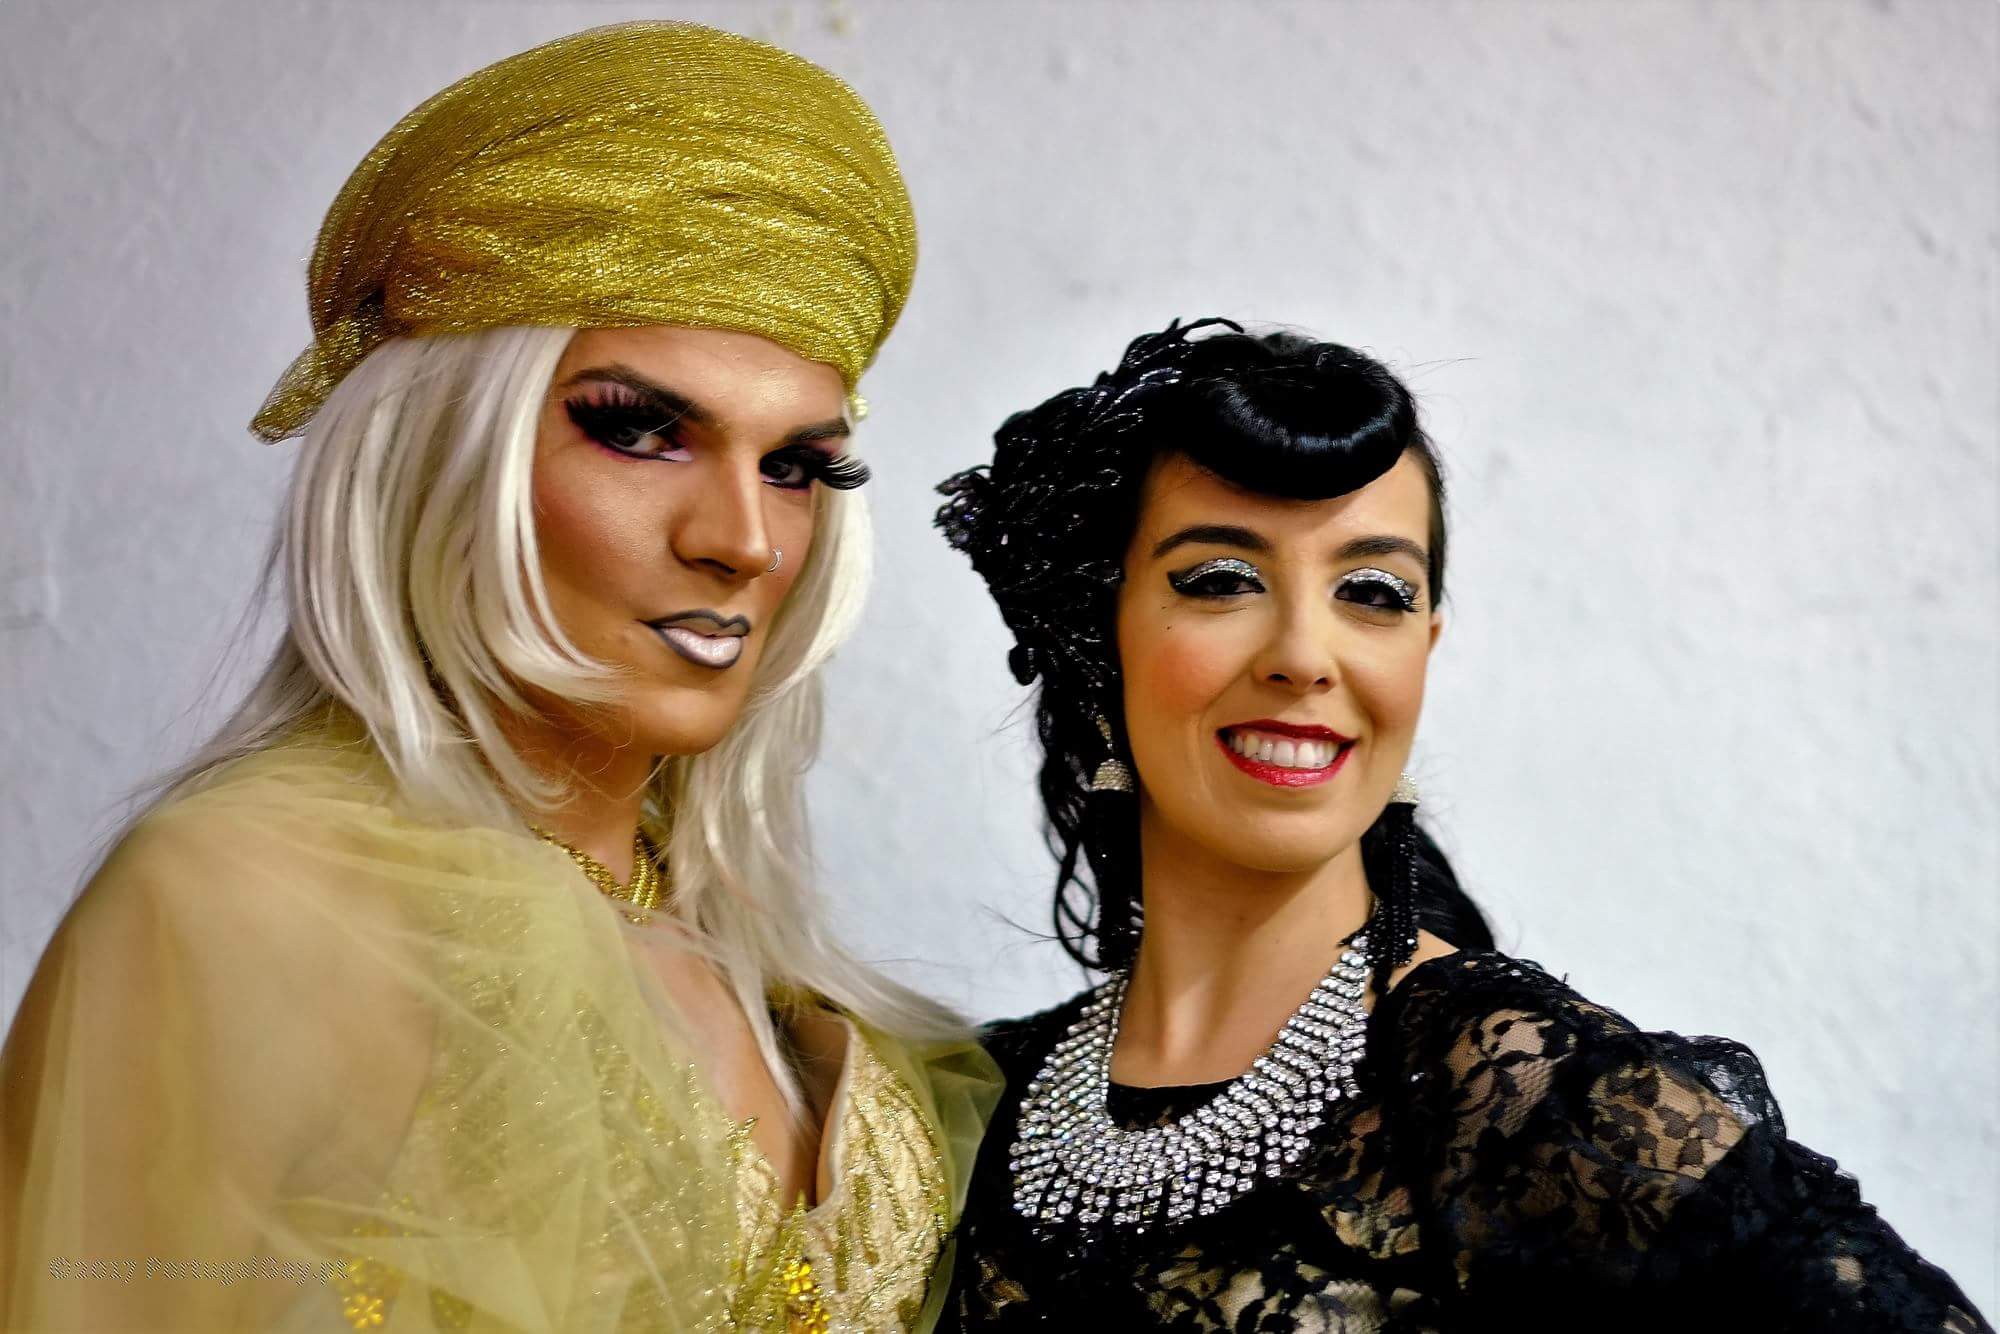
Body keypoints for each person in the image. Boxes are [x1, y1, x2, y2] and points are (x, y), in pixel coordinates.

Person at [0, 23, 996, 1333]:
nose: (744, 539)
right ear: (443, 453)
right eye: (641, 431)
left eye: (796, 467)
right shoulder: (249, 896)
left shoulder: (744, 943)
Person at [933, 320, 1988, 1330]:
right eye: (1220, 579)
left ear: (1424, 646)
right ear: (1095, 640)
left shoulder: (1513, 1091)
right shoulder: (978, 1096)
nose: (1302, 655)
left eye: (1373, 592)